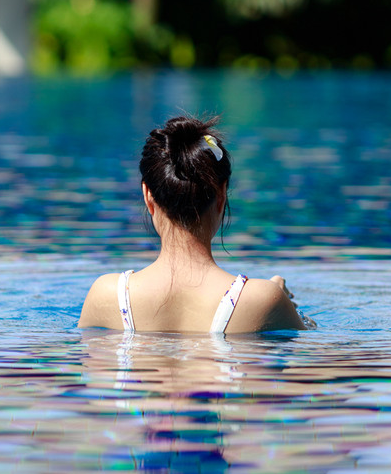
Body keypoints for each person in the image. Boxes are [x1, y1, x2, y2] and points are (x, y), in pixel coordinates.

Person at [79, 115, 306, 333]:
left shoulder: (107, 295)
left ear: (147, 195)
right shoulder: (263, 300)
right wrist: (284, 303)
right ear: (222, 195)